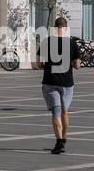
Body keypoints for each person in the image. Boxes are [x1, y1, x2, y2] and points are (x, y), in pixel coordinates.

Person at [32, 16, 81, 154]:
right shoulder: (72, 43)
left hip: (50, 81)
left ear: (55, 27)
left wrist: (48, 65)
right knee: (65, 111)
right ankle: (63, 138)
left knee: (56, 112)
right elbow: (77, 65)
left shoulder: (46, 42)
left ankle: (59, 142)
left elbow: (39, 64)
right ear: (65, 28)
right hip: (67, 83)